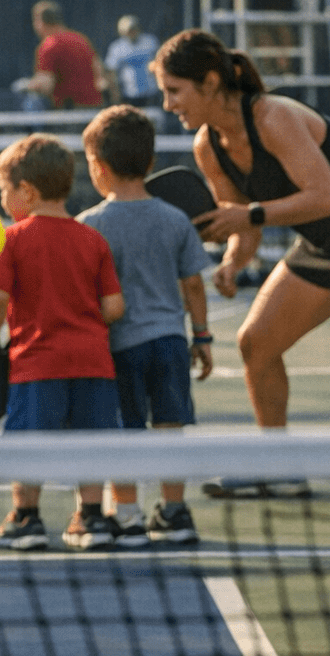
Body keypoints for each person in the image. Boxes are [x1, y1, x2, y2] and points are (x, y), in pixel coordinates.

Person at [153, 29, 330, 503]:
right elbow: (243, 221)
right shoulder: (209, 146)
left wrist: (245, 217)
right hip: (326, 239)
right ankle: (281, 468)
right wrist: (232, 260)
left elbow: (323, 196)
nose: (168, 104)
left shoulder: (274, 116)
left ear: (208, 83)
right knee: (256, 342)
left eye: (174, 91)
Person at [0, 133, 126, 551]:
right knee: (92, 443)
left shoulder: (9, 239)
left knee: (29, 445)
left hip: (37, 365)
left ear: (26, 190)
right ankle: (91, 518)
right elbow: (114, 307)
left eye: (4, 190)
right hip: (94, 362)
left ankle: (26, 519)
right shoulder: (92, 239)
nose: (3, 199)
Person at [76, 105, 213, 546]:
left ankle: (129, 513)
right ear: (151, 163)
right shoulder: (175, 220)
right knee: (171, 429)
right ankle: (175, 512)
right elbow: (192, 284)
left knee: (125, 431)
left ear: (97, 167)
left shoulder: (90, 225)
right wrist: (203, 337)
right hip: (171, 343)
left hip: (119, 347)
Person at [13, 0, 106, 110]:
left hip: (69, 113)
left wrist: (25, 85)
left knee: (31, 101)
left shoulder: (49, 45)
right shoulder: (81, 39)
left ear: (40, 22)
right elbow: (99, 72)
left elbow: (46, 85)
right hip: (94, 109)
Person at [104, 15, 161, 108]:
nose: (132, 32)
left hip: (152, 93)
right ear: (121, 31)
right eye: (128, 30)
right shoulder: (117, 48)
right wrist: (115, 95)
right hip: (129, 94)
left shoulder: (150, 42)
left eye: (133, 28)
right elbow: (111, 71)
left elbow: (160, 63)